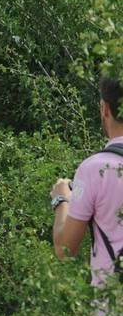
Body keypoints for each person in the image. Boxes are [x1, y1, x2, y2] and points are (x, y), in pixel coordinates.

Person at [53, 75, 123, 287]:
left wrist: (61, 200)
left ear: (104, 109)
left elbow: (65, 250)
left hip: (112, 301)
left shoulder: (95, 169)